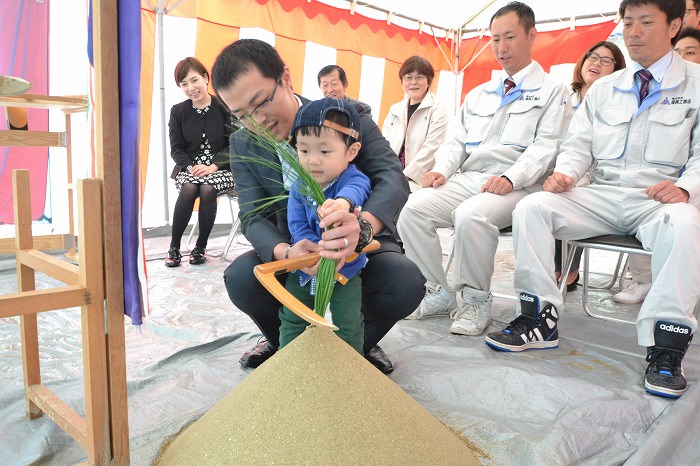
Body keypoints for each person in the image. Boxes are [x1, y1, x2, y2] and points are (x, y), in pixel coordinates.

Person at [486, 0, 700, 399]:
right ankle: (538, 318)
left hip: (658, 199)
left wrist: (686, 189)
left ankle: (667, 346)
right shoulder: (604, 88)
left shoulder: (696, 83)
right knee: (532, 207)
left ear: (673, 26)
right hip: (601, 194)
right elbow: (578, 144)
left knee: (686, 223)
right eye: (628, 22)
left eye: (646, 22)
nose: (633, 32)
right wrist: (565, 172)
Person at [211, 39, 425, 374]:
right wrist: (286, 252)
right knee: (240, 277)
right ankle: (283, 342)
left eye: (260, 102)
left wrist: (362, 226)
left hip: (358, 248)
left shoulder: (343, 115)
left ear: (285, 77)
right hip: (298, 251)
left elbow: (391, 178)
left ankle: (357, 343)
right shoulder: (242, 142)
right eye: (242, 115)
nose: (257, 120)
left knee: (404, 282)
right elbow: (252, 215)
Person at [396, 2, 565, 336]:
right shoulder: (479, 94)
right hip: (470, 178)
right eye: (495, 39)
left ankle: (476, 299)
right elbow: (455, 143)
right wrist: (441, 170)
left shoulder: (553, 92)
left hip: (520, 185)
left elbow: (547, 148)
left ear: (532, 36)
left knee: (472, 215)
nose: (501, 48)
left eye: (510, 38)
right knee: (412, 207)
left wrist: (510, 177)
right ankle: (437, 290)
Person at [280, 97, 370, 354]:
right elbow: (297, 225)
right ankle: (288, 364)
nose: (313, 161)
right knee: (293, 317)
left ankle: (349, 372)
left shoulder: (350, 178)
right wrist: (312, 254)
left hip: (346, 268)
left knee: (348, 323)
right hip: (306, 266)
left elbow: (359, 187)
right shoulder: (299, 185)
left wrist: (343, 203)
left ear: (350, 152)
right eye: (304, 150)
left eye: (324, 151)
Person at [554, 41, 626, 292]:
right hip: (553, 167)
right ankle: (549, 271)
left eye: (606, 60)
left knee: (570, 195)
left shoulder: (617, 102)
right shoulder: (562, 96)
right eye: (592, 57)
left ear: (618, 70)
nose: (596, 63)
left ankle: (567, 271)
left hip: (592, 174)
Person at [166, 57, 234, 267]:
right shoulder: (178, 112)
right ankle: (174, 247)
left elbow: (234, 144)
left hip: (221, 168)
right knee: (188, 188)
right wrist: (190, 168)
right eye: (184, 84)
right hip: (189, 168)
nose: (191, 88)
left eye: (194, 80)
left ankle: (200, 247)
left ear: (205, 78)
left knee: (207, 189)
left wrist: (213, 166)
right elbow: (176, 149)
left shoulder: (224, 107)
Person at [382, 55, 450, 192]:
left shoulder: (438, 110)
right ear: (402, 81)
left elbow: (432, 148)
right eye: (408, 77)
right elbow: (384, 144)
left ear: (429, 81)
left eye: (419, 77)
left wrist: (404, 176)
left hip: (419, 179)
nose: (413, 82)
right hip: (390, 174)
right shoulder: (395, 109)